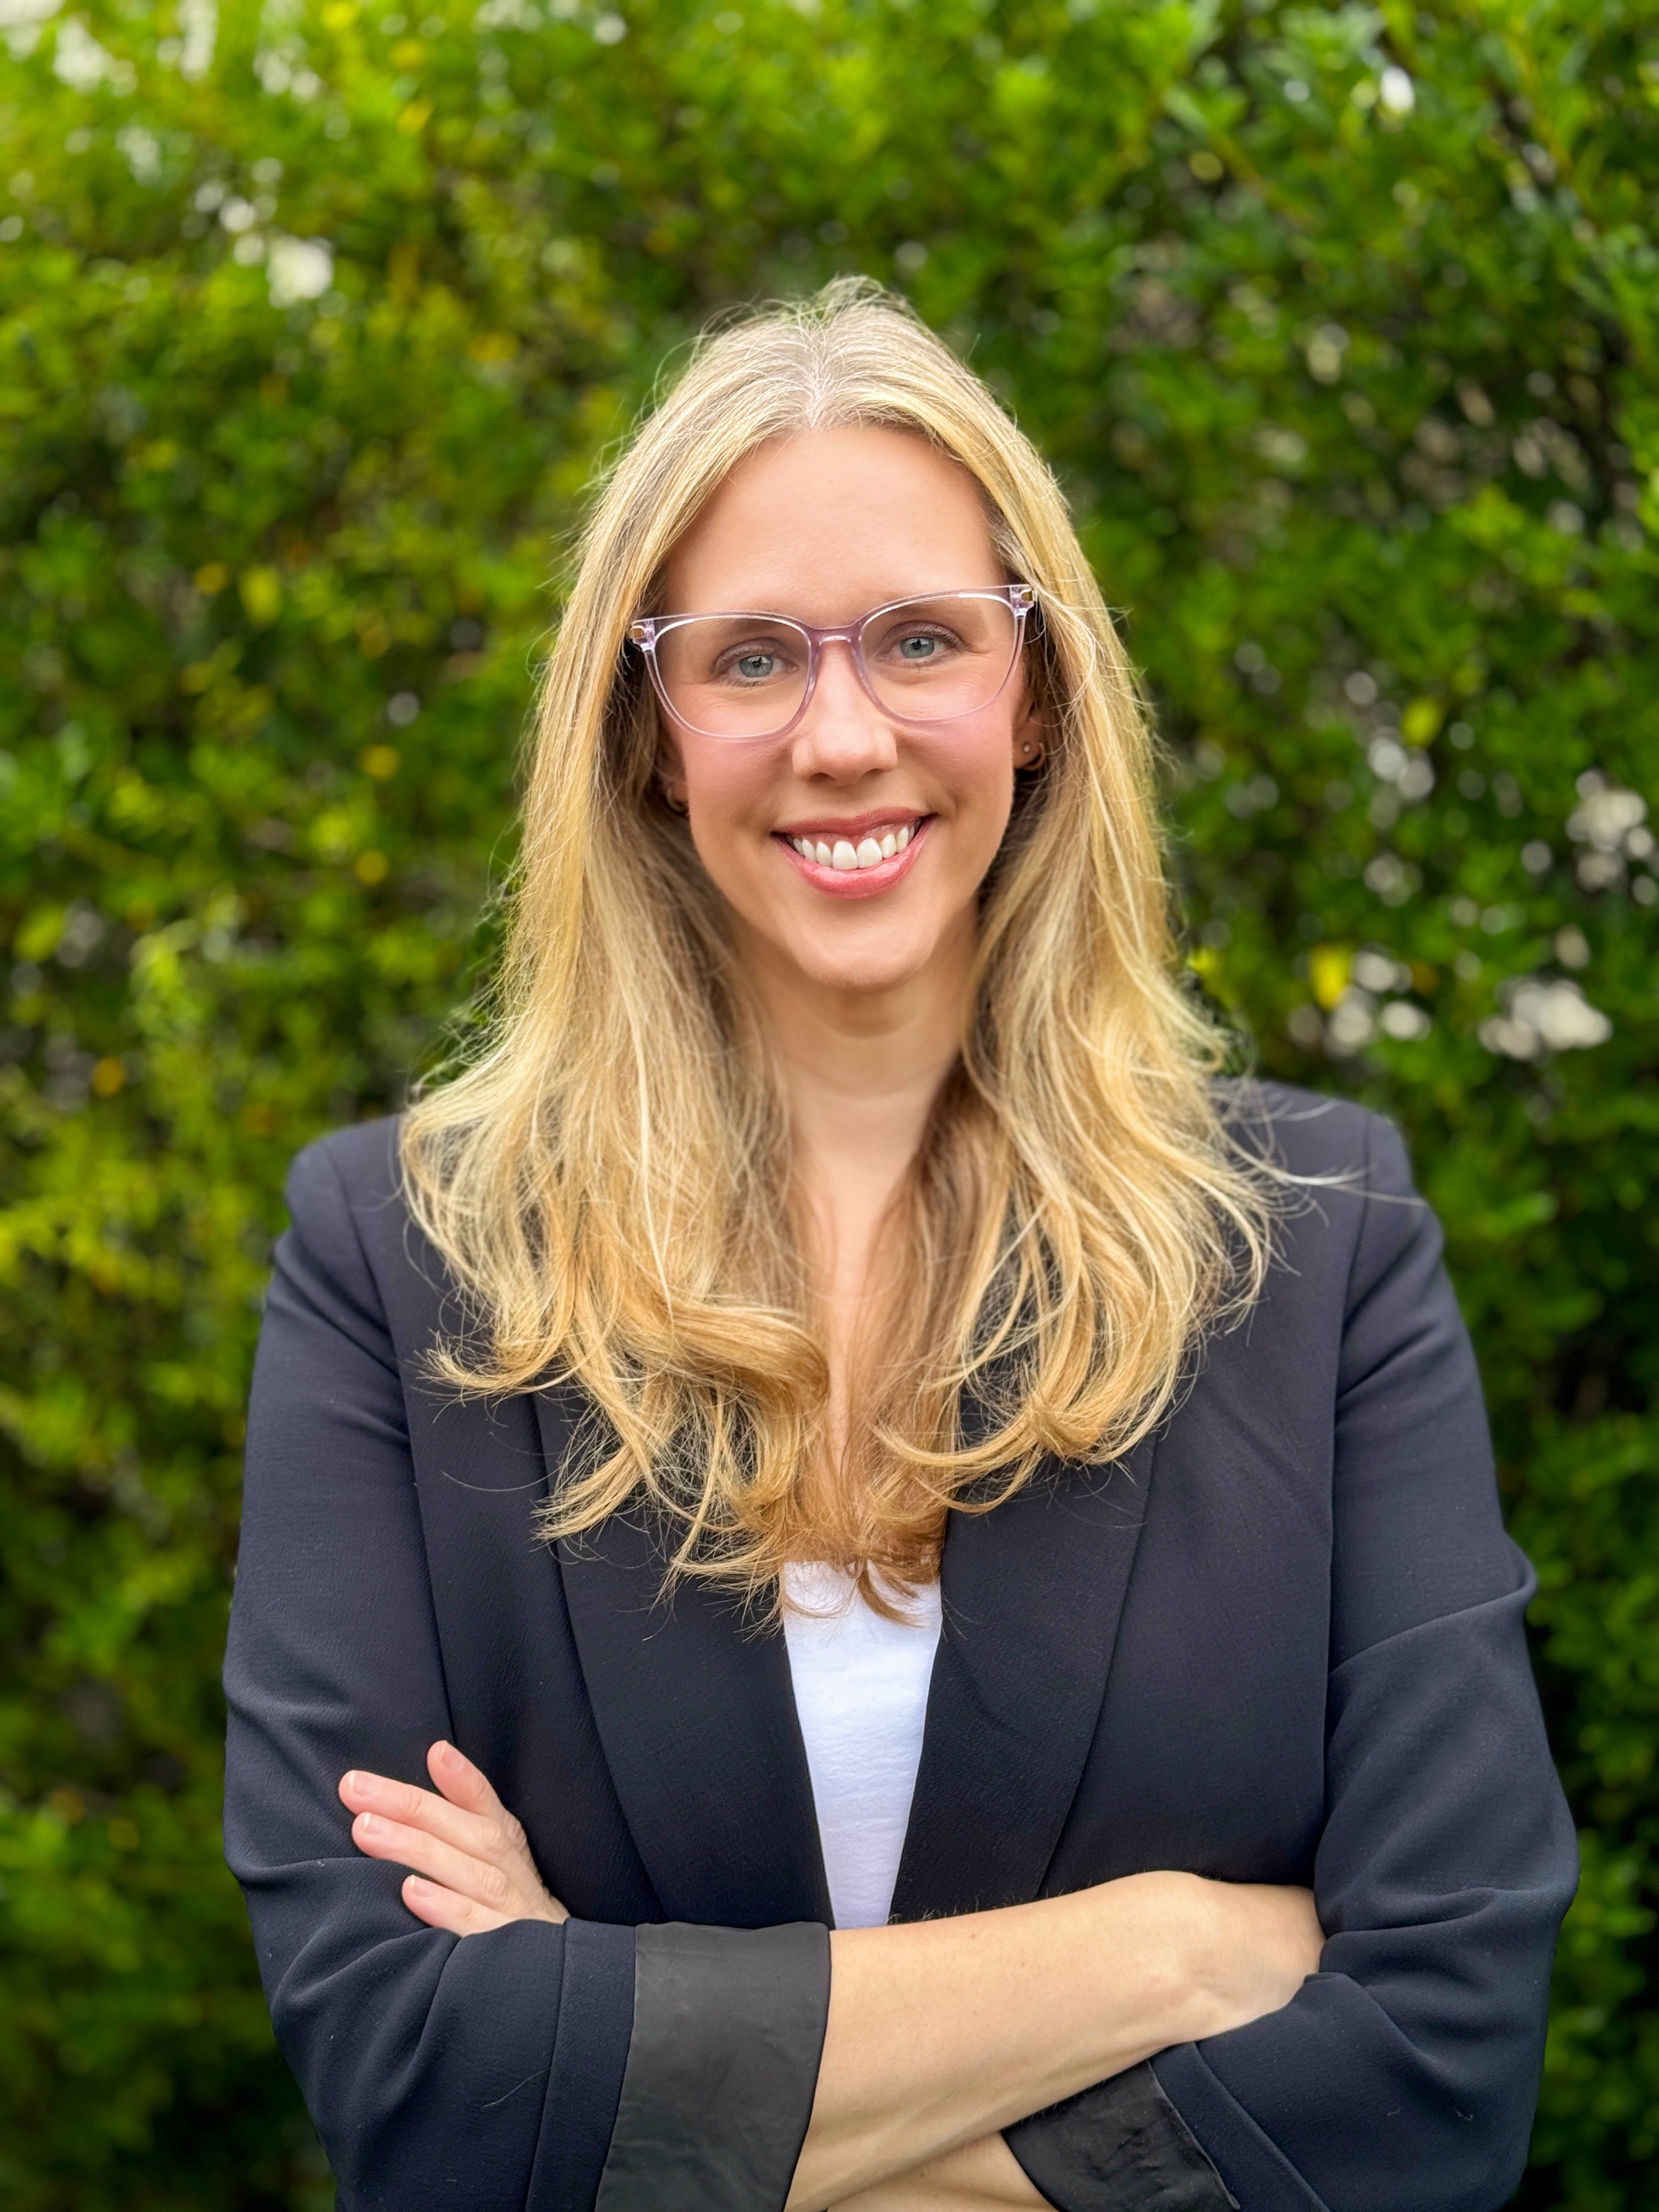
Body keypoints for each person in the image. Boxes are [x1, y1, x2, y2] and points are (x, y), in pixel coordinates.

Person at [224, 279, 1577, 2212]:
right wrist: (1178, 1956)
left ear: (1034, 694)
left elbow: (1442, 2069)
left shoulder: (1319, 1248)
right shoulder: (401, 1260)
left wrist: (616, 2056)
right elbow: (416, 2087)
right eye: (753, 657)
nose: (843, 736)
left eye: (923, 641)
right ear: (645, 730)